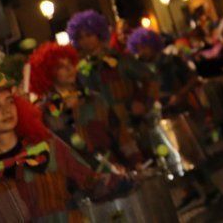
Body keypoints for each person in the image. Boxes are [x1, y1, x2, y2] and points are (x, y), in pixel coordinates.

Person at [0, 68, 131, 222]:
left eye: (10, 101)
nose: (6, 110)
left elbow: (90, 181)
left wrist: (120, 180)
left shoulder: (48, 146)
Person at [127, 27, 220, 207]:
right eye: (137, 48)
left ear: (153, 45)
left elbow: (193, 78)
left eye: (144, 46)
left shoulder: (171, 60)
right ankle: (187, 190)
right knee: (170, 160)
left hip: (177, 114)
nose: (141, 51)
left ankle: (209, 188)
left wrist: (180, 95)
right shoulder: (140, 69)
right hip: (156, 119)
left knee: (190, 155)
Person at [28, 42, 142, 171]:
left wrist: (136, 161)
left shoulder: (94, 99)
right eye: (61, 67)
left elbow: (119, 133)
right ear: (48, 73)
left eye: (70, 64)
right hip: (80, 180)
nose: (69, 69)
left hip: (113, 171)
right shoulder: (45, 112)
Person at [66, 10, 157, 129]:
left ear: (98, 34)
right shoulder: (80, 69)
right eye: (80, 38)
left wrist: (142, 102)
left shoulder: (120, 59)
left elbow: (152, 79)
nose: (85, 41)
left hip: (132, 123)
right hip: (103, 129)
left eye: (89, 35)